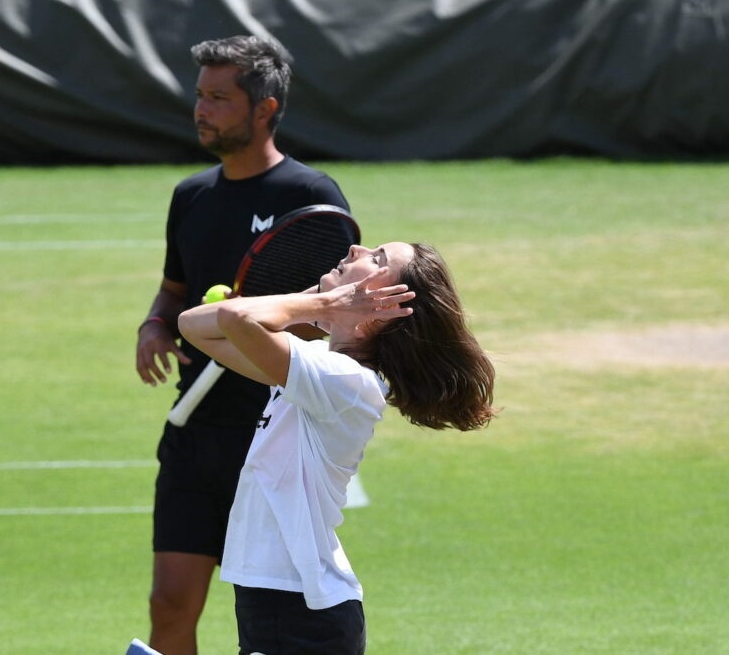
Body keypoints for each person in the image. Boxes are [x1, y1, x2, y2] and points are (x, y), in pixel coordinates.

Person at [134, 35, 350, 654]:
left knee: (266, 620)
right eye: (200, 96)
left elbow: (330, 318)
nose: (202, 109)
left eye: (220, 98)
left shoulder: (310, 198)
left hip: (270, 436)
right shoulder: (191, 196)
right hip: (194, 430)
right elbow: (173, 291)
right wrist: (154, 326)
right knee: (169, 602)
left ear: (266, 108)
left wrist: (253, 331)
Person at [178, 242, 497, 654]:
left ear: (384, 309)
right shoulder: (316, 363)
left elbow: (234, 317)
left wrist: (328, 302)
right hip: (280, 601)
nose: (355, 248)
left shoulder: (345, 382)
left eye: (378, 258)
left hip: (299, 613)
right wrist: (328, 301)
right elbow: (193, 325)